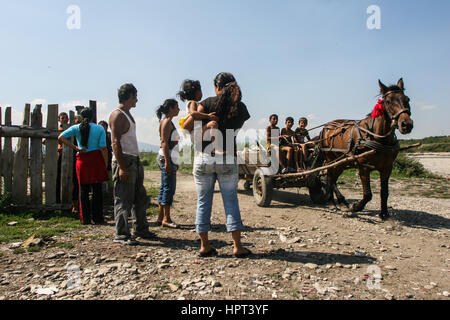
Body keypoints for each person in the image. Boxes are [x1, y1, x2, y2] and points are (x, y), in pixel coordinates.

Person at [194, 72, 252, 258]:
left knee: (203, 202)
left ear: (217, 86)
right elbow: (234, 131)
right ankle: (237, 246)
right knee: (231, 201)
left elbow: (195, 135)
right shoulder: (240, 108)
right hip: (227, 157)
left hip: (204, 157)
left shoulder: (205, 104)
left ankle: (204, 245)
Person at [109, 83, 155, 245]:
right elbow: (115, 142)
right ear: (129, 96)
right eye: (135, 96)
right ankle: (121, 234)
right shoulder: (118, 115)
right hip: (125, 160)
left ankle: (141, 229)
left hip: (133, 159)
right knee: (123, 198)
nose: (137, 99)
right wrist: (122, 167)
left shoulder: (127, 114)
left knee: (140, 197)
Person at [58, 109, 109, 225]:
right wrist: (105, 164)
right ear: (93, 116)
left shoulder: (76, 128)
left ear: (81, 116)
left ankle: (85, 219)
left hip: (82, 159)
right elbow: (103, 148)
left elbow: (60, 137)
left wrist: (76, 148)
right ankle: (98, 218)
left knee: (83, 189)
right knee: (97, 190)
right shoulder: (99, 128)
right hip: (96, 159)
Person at [156, 99, 181, 229]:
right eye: (176, 107)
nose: (178, 109)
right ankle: (167, 218)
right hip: (167, 157)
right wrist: (168, 162)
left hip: (169, 157)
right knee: (168, 188)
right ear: (170, 108)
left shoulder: (168, 122)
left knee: (165, 187)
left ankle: (160, 217)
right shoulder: (166, 122)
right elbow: (164, 142)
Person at [98, 120, 114, 202]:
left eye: (104, 127)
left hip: (108, 160)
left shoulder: (109, 135)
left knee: (111, 180)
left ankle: (112, 197)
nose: (103, 128)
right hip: (99, 160)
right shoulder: (97, 135)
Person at [56, 112, 69, 203]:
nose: (64, 119)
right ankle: (57, 199)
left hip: (69, 156)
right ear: (59, 120)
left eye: (66, 118)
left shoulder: (70, 129)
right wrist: (58, 147)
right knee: (58, 177)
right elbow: (45, 141)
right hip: (60, 155)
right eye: (62, 118)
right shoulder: (57, 130)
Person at [71, 115, 82, 213]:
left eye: (80, 121)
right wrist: (75, 147)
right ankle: (74, 205)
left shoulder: (83, 132)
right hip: (70, 160)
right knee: (74, 183)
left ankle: (80, 205)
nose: (79, 123)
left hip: (81, 160)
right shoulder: (72, 131)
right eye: (77, 121)